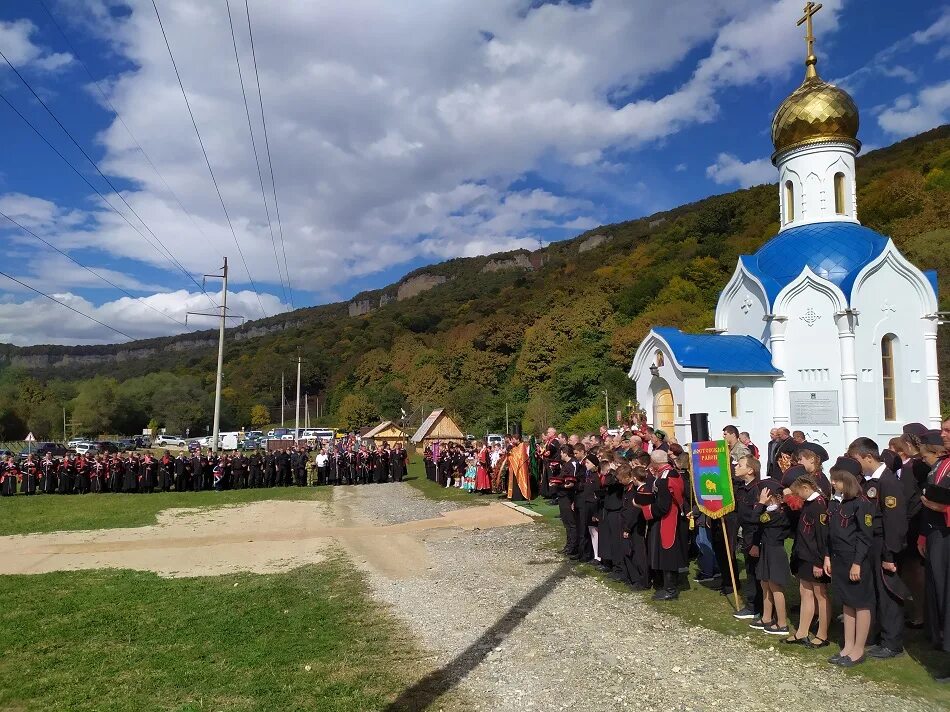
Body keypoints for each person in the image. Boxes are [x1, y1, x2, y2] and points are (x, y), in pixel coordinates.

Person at [848, 437, 907, 659]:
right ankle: (876, 633)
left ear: (868, 457)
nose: (855, 464)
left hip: (884, 543)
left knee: (888, 593)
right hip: (871, 542)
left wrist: (890, 553)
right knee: (873, 591)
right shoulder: (870, 481)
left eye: (856, 459)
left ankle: (892, 642)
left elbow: (894, 521)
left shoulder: (888, 482)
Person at [826, 456, 876, 668]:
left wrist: (857, 562)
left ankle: (858, 649)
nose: (833, 484)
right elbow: (831, 533)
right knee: (847, 602)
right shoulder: (837, 502)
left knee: (861, 603)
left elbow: (865, 536)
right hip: (838, 557)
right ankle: (848, 645)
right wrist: (828, 556)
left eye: (837, 480)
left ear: (847, 480)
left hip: (855, 560)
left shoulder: (861, 504)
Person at [917, 429, 950, 677]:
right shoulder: (941, 462)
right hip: (936, 531)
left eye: (948, 430)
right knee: (938, 589)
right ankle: (939, 637)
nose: (943, 433)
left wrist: (945, 508)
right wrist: (923, 533)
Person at [787, 475, 830, 648]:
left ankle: (822, 634)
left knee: (821, 595)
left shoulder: (819, 505)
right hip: (804, 555)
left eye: (798, 492)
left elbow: (821, 536)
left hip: (815, 558)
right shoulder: (809, 504)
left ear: (806, 487)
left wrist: (819, 562)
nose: (798, 496)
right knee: (805, 592)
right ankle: (802, 632)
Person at [642, 449, 687, 600]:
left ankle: (670, 589)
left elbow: (663, 505)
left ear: (655, 463)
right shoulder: (669, 473)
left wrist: (647, 510)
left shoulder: (665, 478)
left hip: (668, 518)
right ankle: (666, 585)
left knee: (667, 553)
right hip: (669, 517)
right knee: (663, 551)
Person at [751, 479, 792, 636]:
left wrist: (761, 503)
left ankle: (782, 623)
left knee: (775, 586)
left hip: (775, 551)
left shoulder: (776, 513)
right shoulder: (771, 511)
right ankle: (767, 617)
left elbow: (754, 519)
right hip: (767, 549)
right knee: (765, 583)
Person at [733, 455, 763, 621]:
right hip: (746, 534)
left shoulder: (757, 489)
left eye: (741, 465)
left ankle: (758, 607)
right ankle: (752, 605)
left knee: (756, 572)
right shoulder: (743, 488)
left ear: (750, 470)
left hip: (755, 536)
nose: (736, 466)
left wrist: (755, 543)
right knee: (751, 571)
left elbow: (758, 518)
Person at [620, 464, 651, 590]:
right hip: (636, 524)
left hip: (638, 525)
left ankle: (644, 581)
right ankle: (638, 578)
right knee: (635, 553)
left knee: (640, 554)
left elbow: (636, 511)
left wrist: (628, 528)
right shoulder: (639, 490)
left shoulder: (642, 491)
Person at [553, 444, 578, 557]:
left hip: (568, 496)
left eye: (561, 453)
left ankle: (573, 546)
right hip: (563, 495)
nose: (560, 455)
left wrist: (560, 483)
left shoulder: (572, 464)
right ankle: (568, 545)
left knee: (571, 523)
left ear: (565, 453)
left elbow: (572, 480)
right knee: (566, 522)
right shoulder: (566, 464)